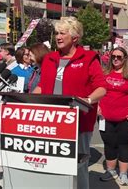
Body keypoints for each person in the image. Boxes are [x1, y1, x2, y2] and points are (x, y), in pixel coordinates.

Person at [33, 16, 106, 189]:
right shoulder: (50, 59)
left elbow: (101, 88)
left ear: (75, 37)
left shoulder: (89, 58)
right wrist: (28, 101)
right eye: (56, 33)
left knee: (77, 166)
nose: (57, 36)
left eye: (62, 33)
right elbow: (42, 86)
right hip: (51, 121)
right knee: (53, 164)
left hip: (79, 122)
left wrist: (87, 100)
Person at [98, 47, 128, 185]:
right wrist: (97, 106)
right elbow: (96, 90)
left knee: (124, 144)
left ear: (125, 58)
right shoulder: (104, 73)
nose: (116, 59)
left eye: (119, 56)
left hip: (127, 118)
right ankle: (111, 171)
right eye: (113, 56)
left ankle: (123, 174)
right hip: (105, 117)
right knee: (109, 144)